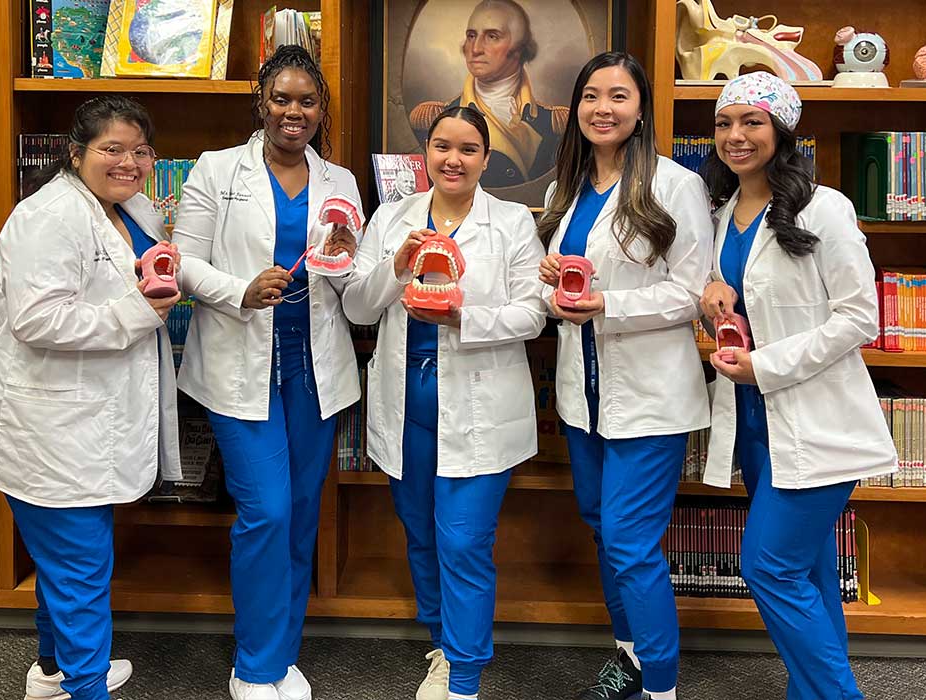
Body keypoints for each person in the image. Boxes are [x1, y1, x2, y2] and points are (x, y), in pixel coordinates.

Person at [0, 95, 184, 700]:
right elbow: (38, 320)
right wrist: (136, 312)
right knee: (80, 569)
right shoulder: (49, 216)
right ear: (75, 153)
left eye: (140, 150)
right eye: (111, 149)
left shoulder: (125, 205)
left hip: (85, 420)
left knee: (65, 563)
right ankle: (87, 686)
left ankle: (54, 670)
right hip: (52, 427)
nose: (130, 162)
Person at [170, 44, 362, 700]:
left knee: (303, 513)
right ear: (261, 102)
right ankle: (253, 664)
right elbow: (183, 262)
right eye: (282, 98)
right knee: (267, 511)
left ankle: (282, 654)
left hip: (314, 368)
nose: (294, 111)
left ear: (319, 111)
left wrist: (351, 266)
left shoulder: (340, 183)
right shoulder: (217, 171)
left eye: (307, 101)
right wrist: (237, 291)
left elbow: (351, 282)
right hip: (237, 363)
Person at [699, 71, 898, 700]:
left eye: (751, 122)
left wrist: (768, 365)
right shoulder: (720, 211)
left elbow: (860, 317)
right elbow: (738, 298)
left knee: (769, 568)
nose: (736, 135)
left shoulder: (825, 208)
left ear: (782, 130)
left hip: (816, 421)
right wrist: (711, 298)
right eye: (725, 122)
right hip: (757, 428)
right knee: (809, 572)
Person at [344, 105, 547, 700]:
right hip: (406, 406)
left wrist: (464, 316)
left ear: (486, 158)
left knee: (463, 540)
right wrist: (397, 265)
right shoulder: (391, 218)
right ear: (424, 153)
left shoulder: (510, 223)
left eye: (467, 149)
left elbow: (534, 313)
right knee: (422, 535)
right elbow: (357, 307)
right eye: (441, 147)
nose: (452, 159)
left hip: (482, 407)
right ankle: (441, 643)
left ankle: (463, 674)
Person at [536, 52, 713, 700]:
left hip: (650, 397)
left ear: (640, 109)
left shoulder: (675, 185)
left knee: (630, 543)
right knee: (603, 529)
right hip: (583, 396)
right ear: (576, 108)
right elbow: (560, 280)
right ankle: (631, 660)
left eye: (617, 96)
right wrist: (553, 286)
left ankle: (661, 688)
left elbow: (691, 292)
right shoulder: (568, 188)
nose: (602, 108)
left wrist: (608, 302)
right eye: (590, 96)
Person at [409, 0, 565, 190]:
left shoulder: (555, 123)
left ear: (519, 48)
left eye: (492, 36)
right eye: (471, 36)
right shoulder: (431, 117)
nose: (475, 49)